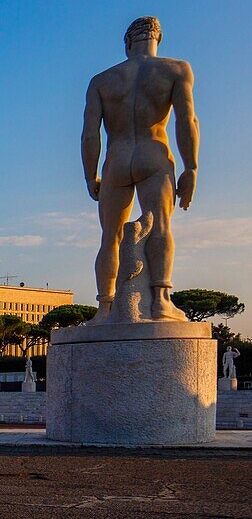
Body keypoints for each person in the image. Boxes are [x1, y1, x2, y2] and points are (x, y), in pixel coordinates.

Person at [82, 17, 199, 323]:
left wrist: (90, 174)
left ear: (127, 42)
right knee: (160, 227)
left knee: (110, 237)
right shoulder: (176, 69)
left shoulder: (102, 80)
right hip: (153, 153)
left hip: (116, 160)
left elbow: (89, 134)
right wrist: (191, 167)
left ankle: (105, 307)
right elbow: (187, 121)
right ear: (157, 38)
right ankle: (160, 300)